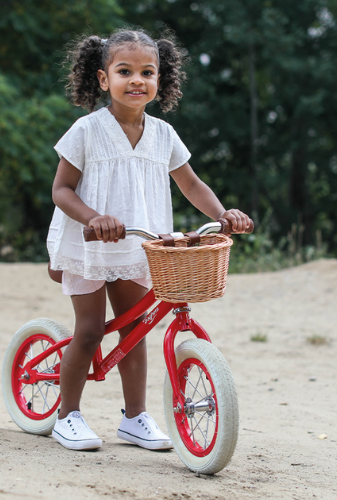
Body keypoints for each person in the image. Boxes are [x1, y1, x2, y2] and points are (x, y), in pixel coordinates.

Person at [47, 29, 251, 451]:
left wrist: (222, 214)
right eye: (125, 71)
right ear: (104, 79)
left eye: (147, 72)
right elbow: (61, 190)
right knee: (88, 331)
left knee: (135, 331)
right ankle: (67, 416)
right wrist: (95, 217)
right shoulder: (86, 130)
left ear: (161, 80)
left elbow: (191, 184)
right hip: (89, 243)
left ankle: (135, 418)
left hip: (139, 245)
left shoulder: (163, 134)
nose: (136, 80)